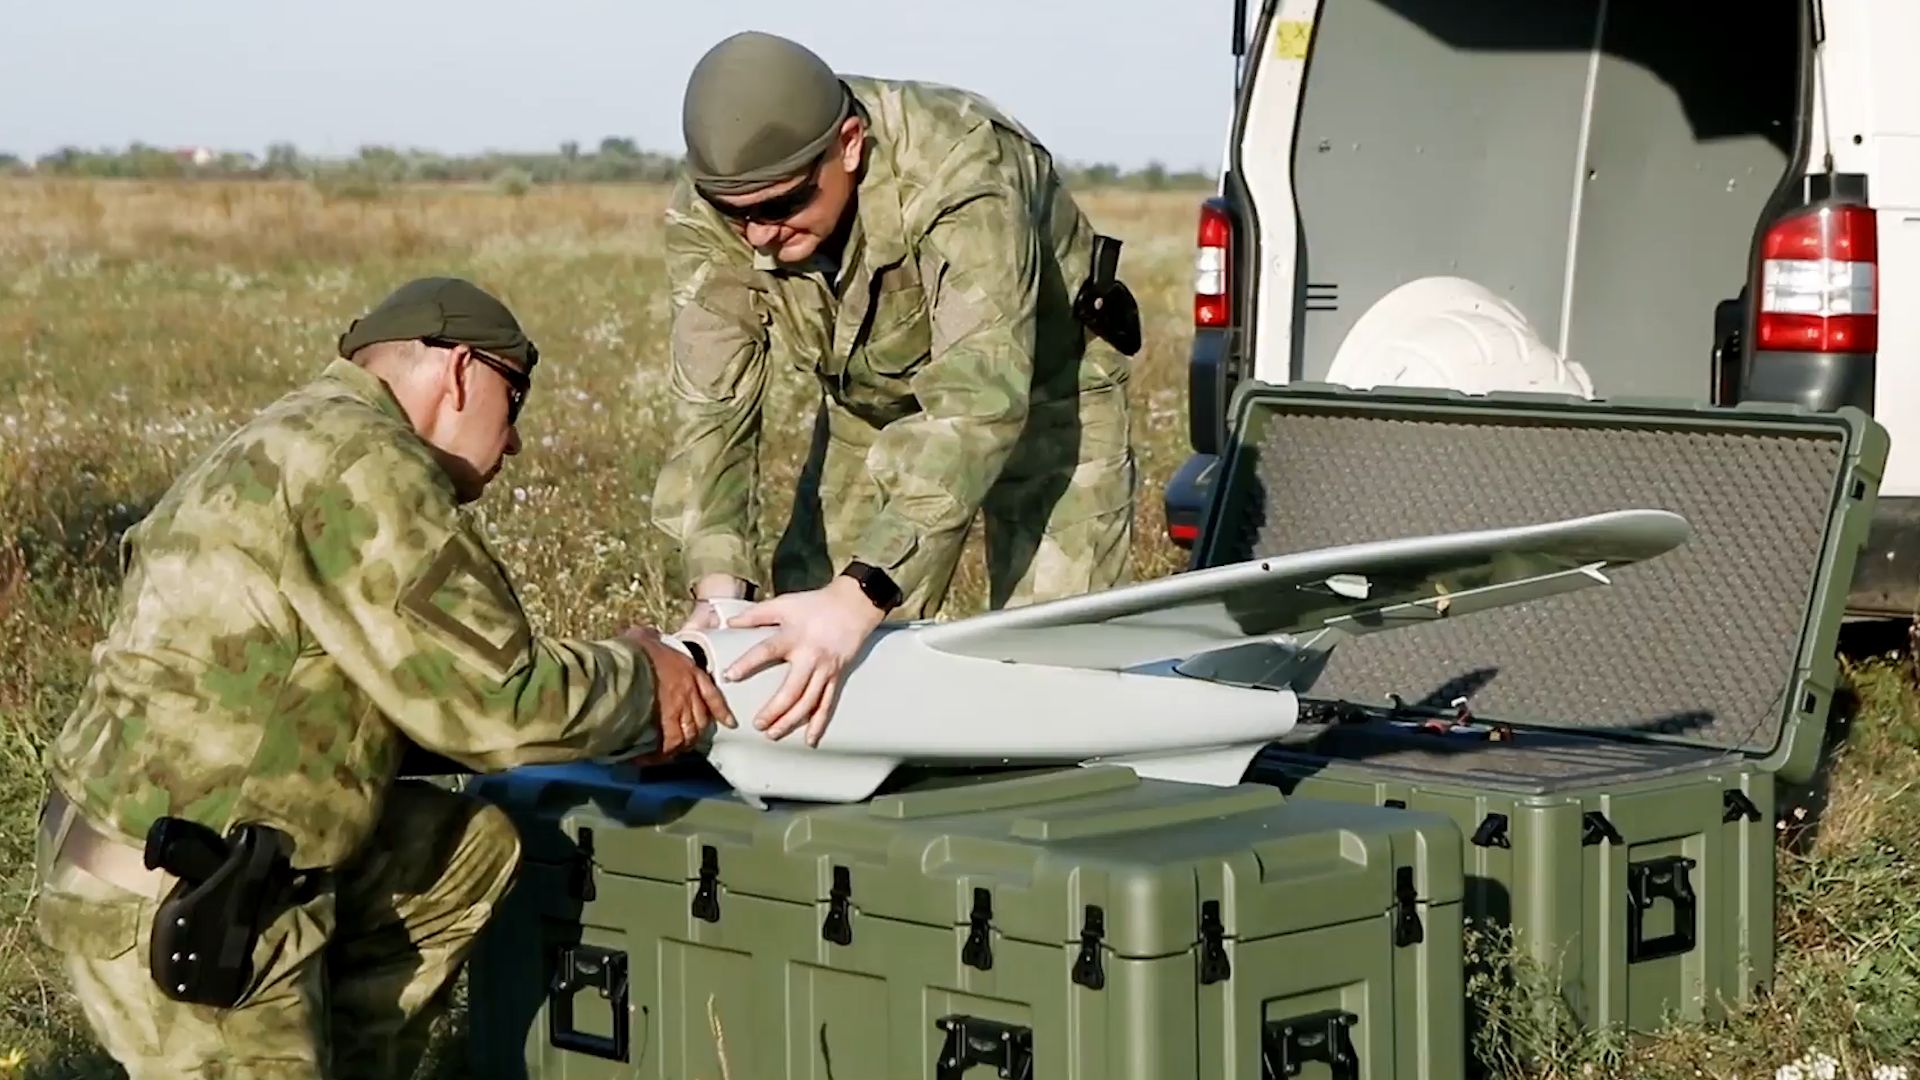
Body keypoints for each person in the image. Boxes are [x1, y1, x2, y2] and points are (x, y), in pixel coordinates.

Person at [30, 277, 731, 1079]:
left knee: (461, 849)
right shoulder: (367, 465)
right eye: (516, 401)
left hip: (131, 852)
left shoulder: (298, 433)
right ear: (463, 370)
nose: (515, 445)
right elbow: (497, 706)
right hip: (197, 909)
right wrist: (653, 682)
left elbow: (424, 683)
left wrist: (601, 683)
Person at [652, 30, 1141, 748]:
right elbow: (711, 414)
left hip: (1046, 395)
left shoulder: (959, 165)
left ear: (849, 144)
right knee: (796, 662)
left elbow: (980, 402)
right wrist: (719, 592)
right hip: (870, 405)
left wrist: (862, 595)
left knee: (1055, 677)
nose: (757, 236)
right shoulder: (713, 208)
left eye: (782, 205)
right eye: (737, 214)